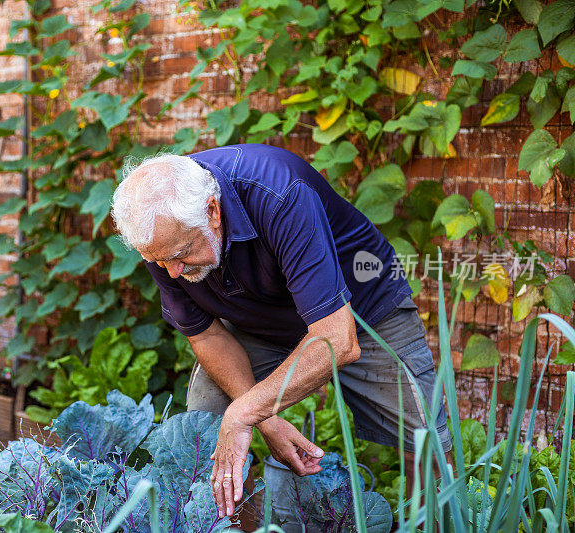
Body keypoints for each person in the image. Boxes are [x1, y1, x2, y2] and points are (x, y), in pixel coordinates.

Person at [110, 143, 452, 518]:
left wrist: (244, 413)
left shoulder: (278, 194)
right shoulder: (165, 235)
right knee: (208, 410)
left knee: (423, 439)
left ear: (211, 211)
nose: (171, 273)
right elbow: (206, 335)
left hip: (361, 310)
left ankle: (425, 523)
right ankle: (239, 524)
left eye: (179, 257)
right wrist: (265, 418)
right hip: (258, 320)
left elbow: (336, 339)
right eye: (157, 261)